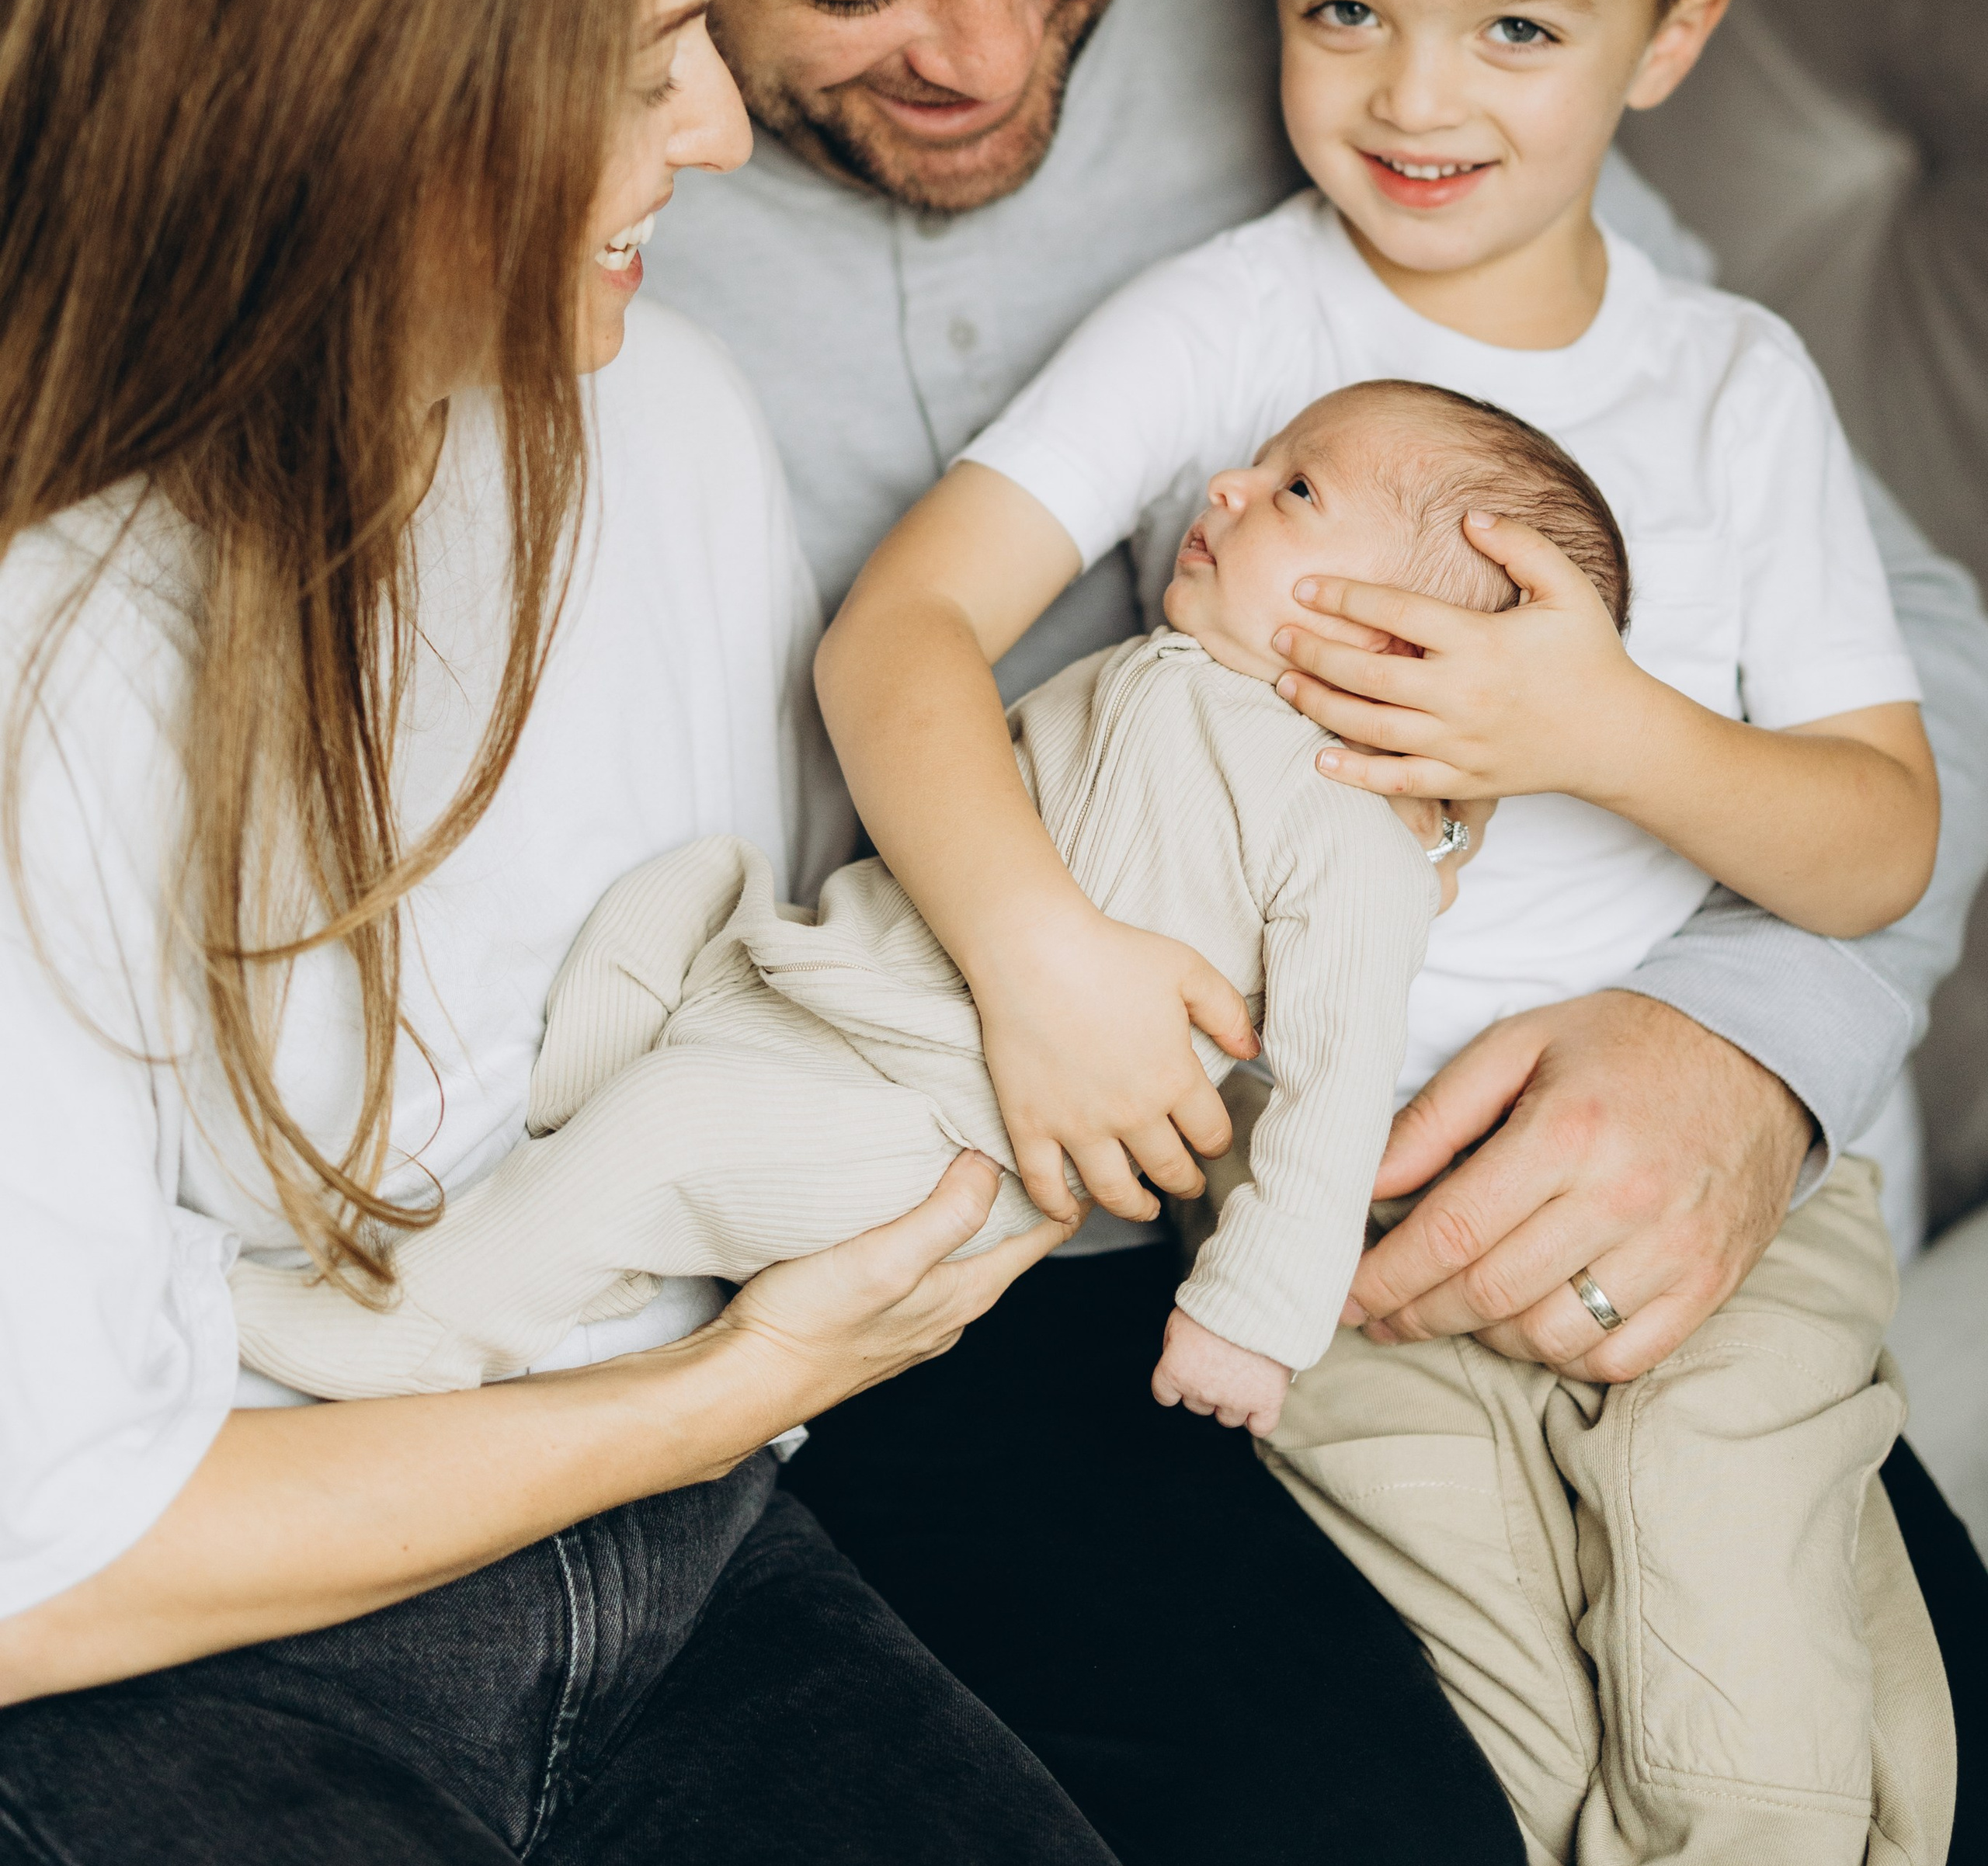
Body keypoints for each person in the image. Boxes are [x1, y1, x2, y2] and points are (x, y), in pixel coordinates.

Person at [545, 0, 1988, 1866]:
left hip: (1475, 1137)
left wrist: (1749, 1054)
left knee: (1932, 1780)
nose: (986, 56)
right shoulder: (544, 193)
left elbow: (1892, 643)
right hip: (965, 1258)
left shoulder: (1390, 52)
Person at [0, 0, 1187, 1866]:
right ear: (361, 108)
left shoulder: (665, 428)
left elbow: (783, 991)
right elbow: (41, 1565)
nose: (720, 132)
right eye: (644, 62)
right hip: (164, 1660)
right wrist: (723, 1393)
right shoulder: (56, 650)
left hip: (683, 1556)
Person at [226, 381, 1633, 1425]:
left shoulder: (1350, 837)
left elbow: (1335, 1090)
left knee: (670, 1130)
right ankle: (585, 1225)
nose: (1227, 486)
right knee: (678, 890)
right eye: (1258, 464)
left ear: (1403, 641)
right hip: (820, 987)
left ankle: (425, 1329)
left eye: (1296, 492)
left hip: (946, 1140)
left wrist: (1253, 1317)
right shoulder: (1157, 669)